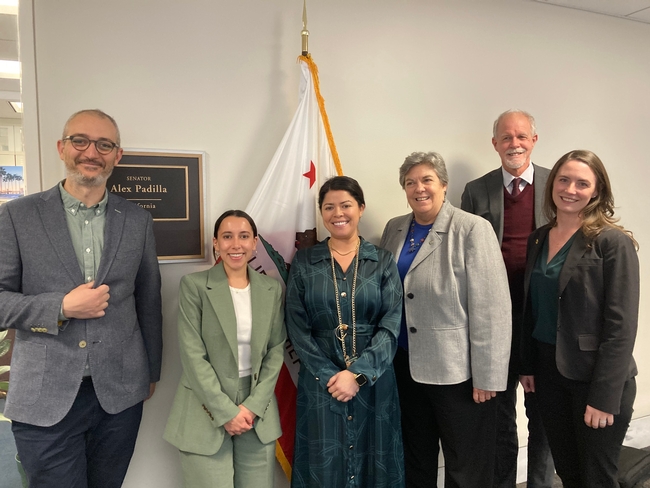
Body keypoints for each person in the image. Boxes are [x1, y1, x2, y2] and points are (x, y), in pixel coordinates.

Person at [0, 109, 163, 488]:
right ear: (62, 147)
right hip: (45, 396)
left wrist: (151, 370)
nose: (91, 152)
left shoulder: (137, 220)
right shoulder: (16, 216)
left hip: (119, 394)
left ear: (116, 155)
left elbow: (149, 299)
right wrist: (59, 308)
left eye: (104, 144)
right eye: (80, 141)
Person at [381, 151, 511, 488]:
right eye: (410, 182)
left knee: (465, 465)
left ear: (443, 185)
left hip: (459, 374)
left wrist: (489, 376)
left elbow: (492, 309)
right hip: (405, 368)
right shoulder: (394, 228)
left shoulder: (471, 229)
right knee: (416, 458)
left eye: (426, 180)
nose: (418, 188)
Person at [520, 150, 639, 488]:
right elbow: (533, 308)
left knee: (596, 477)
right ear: (552, 184)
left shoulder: (612, 243)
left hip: (594, 377)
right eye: (564, 179)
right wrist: (527, 364)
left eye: (582, 183)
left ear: (596, 191)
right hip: (547, 374)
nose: (571, 189)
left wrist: (604, 398)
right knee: (569, 473)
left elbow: (621, 327)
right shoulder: (538, 239)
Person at [285, 176, 405, 488]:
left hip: (375, 382)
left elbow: (391, 325)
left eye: (346, 205)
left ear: (361, 208)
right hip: (320, 382)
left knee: (374, 462)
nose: (338, 213)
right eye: (329, 207)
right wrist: (330, 374)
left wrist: (358, 373)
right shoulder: (305, 262)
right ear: (322, 213)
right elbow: (297, 328)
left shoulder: (382, 261)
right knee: (323, 467)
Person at [460, 109, 554, 488]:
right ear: (494, 143)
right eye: (506, 137)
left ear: (534, 140)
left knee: (542, 415)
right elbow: (463, 256)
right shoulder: (476, 190)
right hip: (494, 320)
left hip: (541, 320)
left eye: (521, 136)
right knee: (498, 417)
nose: (514, 144)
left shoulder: (555, 184)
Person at [164, 210, 286, 488]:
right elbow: (193, 355)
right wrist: (226, 412)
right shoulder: (194, 286)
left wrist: (252, 407)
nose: (236, 244)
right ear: (216, 243)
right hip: (205, 408)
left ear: (254, 242)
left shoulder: (271, 289)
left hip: (257, 409)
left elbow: (276, 350)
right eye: (227, 237)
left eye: (244, 236)